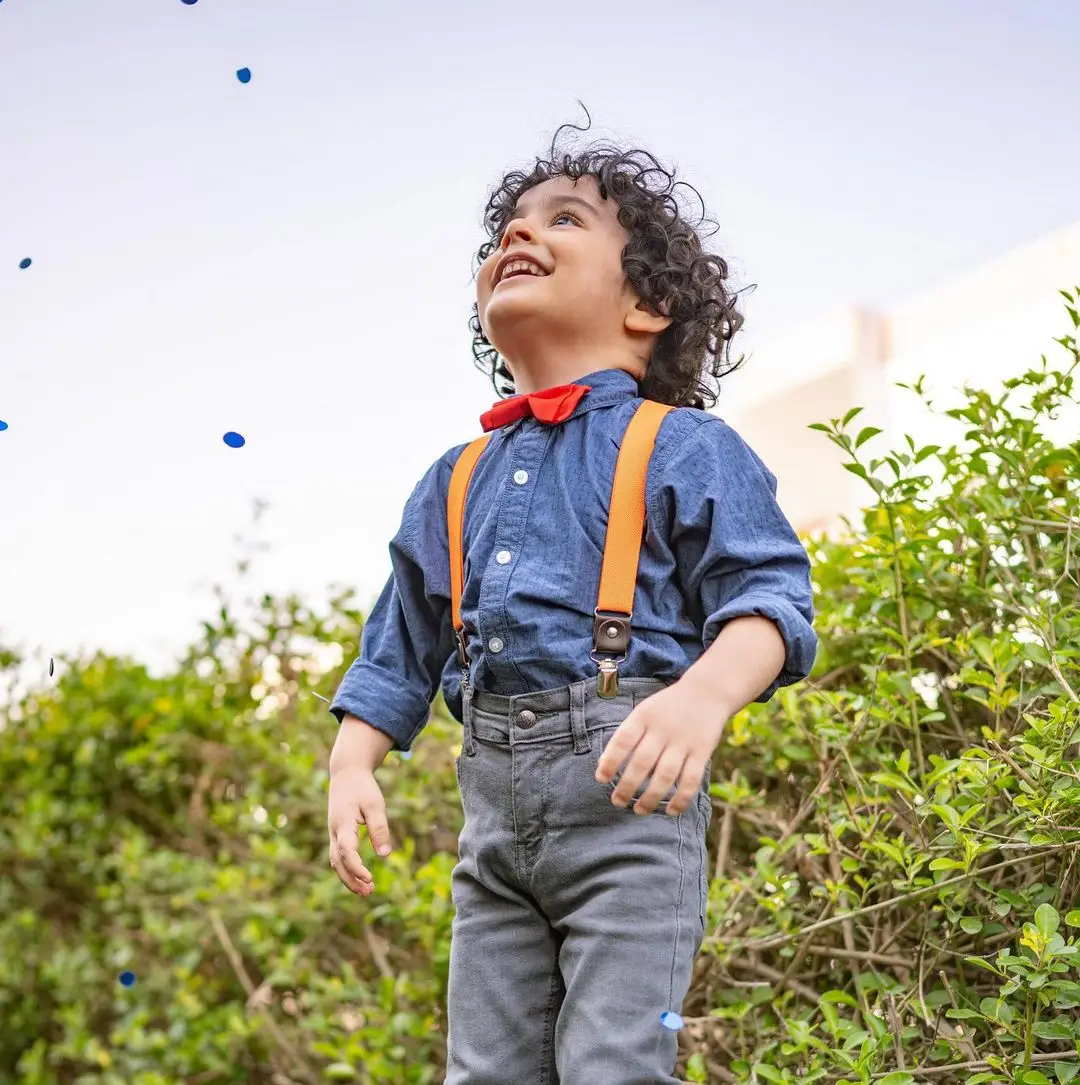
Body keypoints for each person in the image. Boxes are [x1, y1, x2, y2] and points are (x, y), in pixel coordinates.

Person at [326, 110, 817, 1084]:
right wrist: (352, 761)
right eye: (509, 224)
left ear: (646, 305)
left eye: (563, 220)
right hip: (494, 824)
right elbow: (402, 643)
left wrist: (703, 693)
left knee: (615, 1061)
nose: (519, 232)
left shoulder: (684, 445)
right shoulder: (453, 478)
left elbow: (772, 599)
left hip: (629, 811)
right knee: (486, 1067)